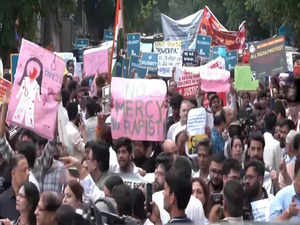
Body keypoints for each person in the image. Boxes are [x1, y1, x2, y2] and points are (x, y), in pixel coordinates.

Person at [0, 154, 29, 220]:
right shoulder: (2, 201)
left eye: (28, 169)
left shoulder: (32, 199)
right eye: (24, 170)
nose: (28, 173)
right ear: (13, 173)